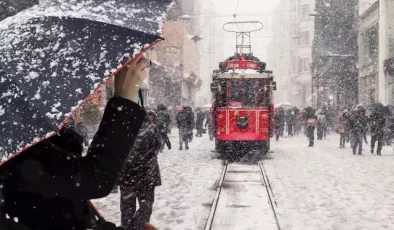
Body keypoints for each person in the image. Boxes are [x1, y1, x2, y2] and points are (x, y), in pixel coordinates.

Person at [0, 54, 149, 230]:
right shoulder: (13, 146)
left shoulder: (35, 138)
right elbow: (95, 178)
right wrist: (124, 99)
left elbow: (76, 217)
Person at [118, 110, 162, 230]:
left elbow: (116, 152)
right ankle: (138, 226)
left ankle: (128, 227)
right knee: (145, 207)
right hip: (147, 174)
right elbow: (158, 145)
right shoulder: (152, 128)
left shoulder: (122, 128)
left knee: (127, 208)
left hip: (127, 174)